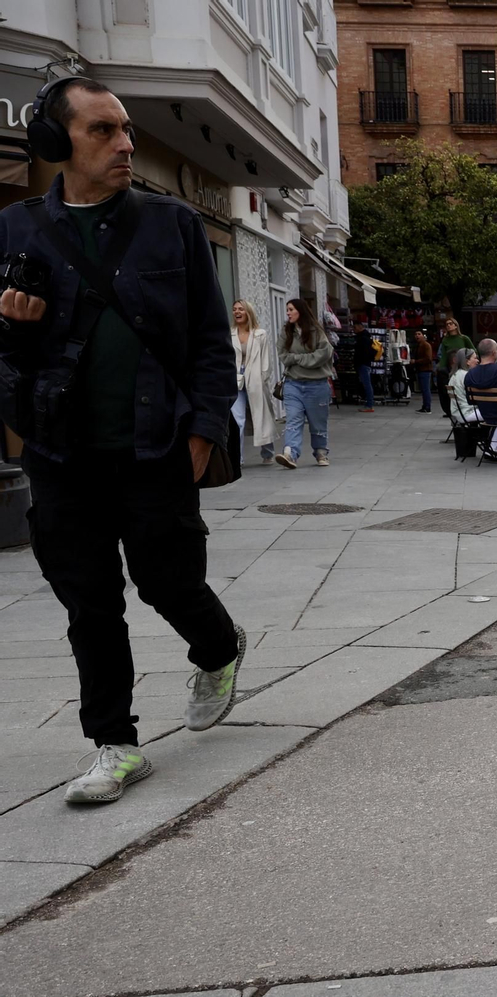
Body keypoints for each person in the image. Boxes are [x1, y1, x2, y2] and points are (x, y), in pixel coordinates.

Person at [0, 77, 246, 804]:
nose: (125, 144)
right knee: (90, 603)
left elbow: (209, 341)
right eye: (103, 131)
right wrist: (11, 323)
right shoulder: (14, 231)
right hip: (59, 450)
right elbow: (9, 354)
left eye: (127, 130)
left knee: (168, 580)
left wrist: (204, 431)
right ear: (56, 143)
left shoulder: (170, 224)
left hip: (156, 443)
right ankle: (115, 742)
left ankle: (218, 648)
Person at [276, 299, 334, 468]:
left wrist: (298, 359)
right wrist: (304, 359)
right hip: (293, 384)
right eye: (287, 310)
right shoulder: (286, 331)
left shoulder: (317, 331)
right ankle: (290, 454)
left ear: (300, 311)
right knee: (293, 420)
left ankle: (321, 452)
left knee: (318, 423)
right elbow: (283, 356)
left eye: (291, 309)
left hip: (317, 385)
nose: (288, 313)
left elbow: (324, 353)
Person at [230, 300, 278, 465]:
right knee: (237, 420)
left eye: (241, 309)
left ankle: (268, 452)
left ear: (248, 312)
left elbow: (266, 360)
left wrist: (263, 378)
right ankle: (238, 458)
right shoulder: (229, 334)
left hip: (255, 379)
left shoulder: (260, 334)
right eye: (235, 309)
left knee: (261, 415)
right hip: (235, 381)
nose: (237, 312)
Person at [447, 347, 479, 424]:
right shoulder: (466, 376)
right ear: (467, 361)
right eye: (475, 358)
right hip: (467, 413)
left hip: (458, 413)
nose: (477, 361)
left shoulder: (454, 375)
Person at [353, 322, 378, 411]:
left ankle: (369, 405)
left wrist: (358, 362)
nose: (353, 329)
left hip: (363, 364)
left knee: (367, 384)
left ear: (360, 327)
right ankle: (368, 404)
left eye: (355, 327)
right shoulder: (366, 337)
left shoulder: (363, 338)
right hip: (365, 363)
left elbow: (363, 353)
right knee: (367, 384)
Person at [411, 329, 435, 413]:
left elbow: (428, 358)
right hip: (421, 370)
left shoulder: (426, 345)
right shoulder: (419, 345)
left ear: (423, 335)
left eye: (419, 334)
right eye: (415, 334)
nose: (417, 336)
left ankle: (427, 407)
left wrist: (416, 361)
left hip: (425, 370)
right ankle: (425, 406)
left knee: (425, 389)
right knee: (424, 389)